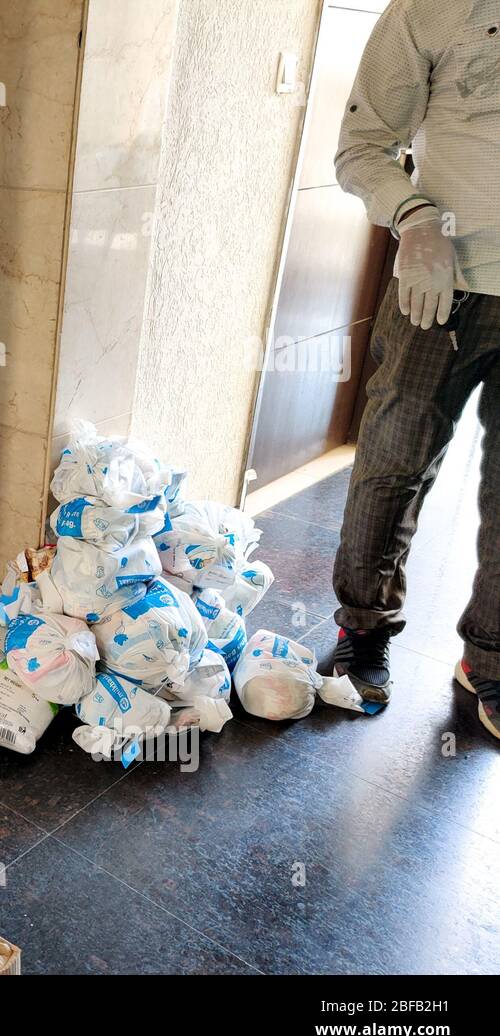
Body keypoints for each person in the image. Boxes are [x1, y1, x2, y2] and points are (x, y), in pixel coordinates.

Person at [332, 0, 498, 740]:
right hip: (444, 286)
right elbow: (362, 144)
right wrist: (413, 216)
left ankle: (491, 659)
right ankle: (363, 630)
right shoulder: (433, 8)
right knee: (393, 463)